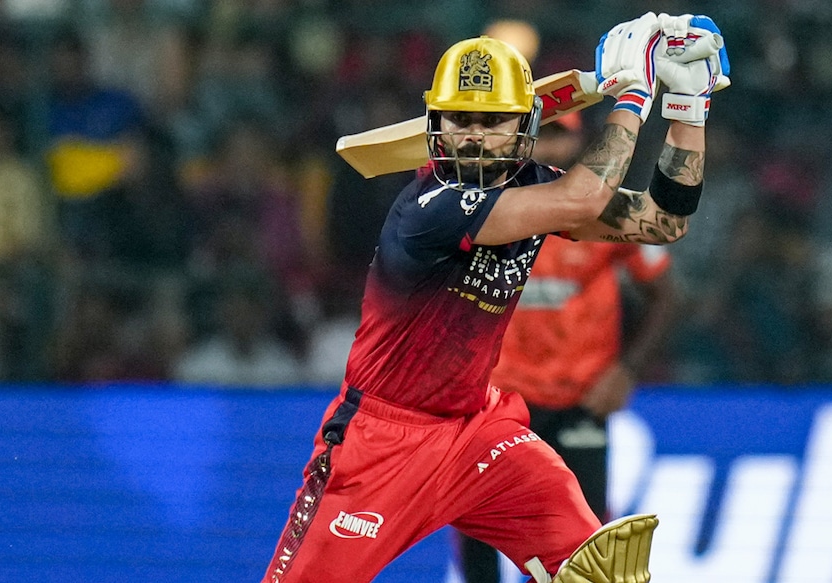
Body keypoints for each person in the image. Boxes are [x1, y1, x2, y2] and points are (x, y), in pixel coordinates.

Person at [261, 12, 729, 583]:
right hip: (380, 441)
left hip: (477, 431)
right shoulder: (429, 207)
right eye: (461, 119)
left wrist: (687, 110)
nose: (475, 136)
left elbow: (662, 221)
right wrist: (633, 94)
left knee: (595, 569)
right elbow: (581, 200)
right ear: (435, 126)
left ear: (526, 126)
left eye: (493, 121)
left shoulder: (535, 185)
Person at [455, 112, 681, 583]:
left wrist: (626, 370)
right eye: (541, 136)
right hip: (498, 402)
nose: (549, 148)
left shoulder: (610, 209)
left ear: (581, 142)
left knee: (586, 544)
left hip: (579, 400)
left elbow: (665, 297)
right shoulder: (487, 207)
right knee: (477, 526)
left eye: (561, 136)